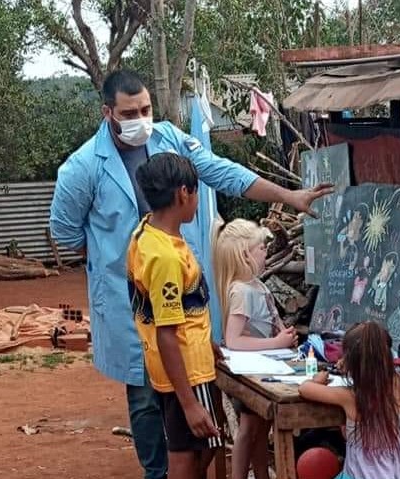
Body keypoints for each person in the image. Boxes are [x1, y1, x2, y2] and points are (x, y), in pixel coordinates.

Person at [49, 69, 332, 479]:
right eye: (130, 112)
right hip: (133, 303)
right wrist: (121, 263)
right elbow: (65, 232)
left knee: (190, 405)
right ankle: (155, 471)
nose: (141, 119)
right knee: (147, 397)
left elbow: (225, 173)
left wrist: (288, 195)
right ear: (107, 112)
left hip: (184, 300)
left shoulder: (171, 140)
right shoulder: (81, 169)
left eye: (146, 108)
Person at [127, 152, 220, 479]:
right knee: (191, 446)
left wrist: (208, 341)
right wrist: (190, 402)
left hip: (180, 362)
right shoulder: (166, 257)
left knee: (198, 444)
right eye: (195, 193)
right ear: (184, 193)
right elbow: (167, 330)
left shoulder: (144, 233)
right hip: (187, 370)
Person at [213, 218, 298, 479]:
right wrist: (277, 342)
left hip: (265, 367)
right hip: (251, 372)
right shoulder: (241, 291)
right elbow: (234, 339)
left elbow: (271, 322)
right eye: (261, 248)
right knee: (249, 429)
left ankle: (261, 474)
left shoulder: (257, 286)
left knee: (260, 429)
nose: (265, 252)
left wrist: (284, 335)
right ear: (244, 255)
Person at [299, 321, 400, 479]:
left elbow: (304, 388)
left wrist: (317, 379)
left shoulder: (349, 397)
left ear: (352, 362)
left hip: (360, 475)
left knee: (312, 464)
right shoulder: (396, 383)